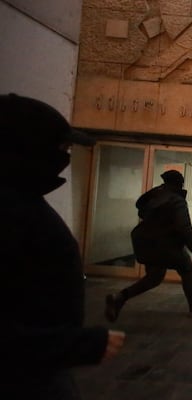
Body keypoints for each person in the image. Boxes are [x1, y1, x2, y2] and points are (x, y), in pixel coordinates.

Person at [0, 93, 126, 399]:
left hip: (37, 368)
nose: (66, 156)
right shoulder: (11, 209)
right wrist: (74, 345)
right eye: (61, 147)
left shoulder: (21, 199)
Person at [105, 170, 192, 321]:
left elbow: (142, 212)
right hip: (165, 245)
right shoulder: (176, 200)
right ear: (179, 184)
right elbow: (184, 227)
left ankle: (120, 297)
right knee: (187, 268)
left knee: (154, 278)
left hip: (144, 243)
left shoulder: (155, 197)